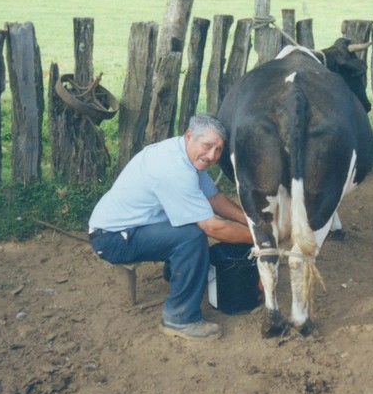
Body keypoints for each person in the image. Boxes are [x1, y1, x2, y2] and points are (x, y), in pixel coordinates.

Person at [88, 112, 253, 341]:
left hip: (136, 226)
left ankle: (176, 273)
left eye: (218, 150)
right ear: (189, 136)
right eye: (207, 146)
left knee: (190, 222)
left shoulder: (186, 156)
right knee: (193, 235)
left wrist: (252, 221)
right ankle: (179, 318)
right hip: (112, 238)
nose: (212, 156)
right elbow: (212, 227)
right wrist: (258, 239)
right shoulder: (173, 169)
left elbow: (214, 199)